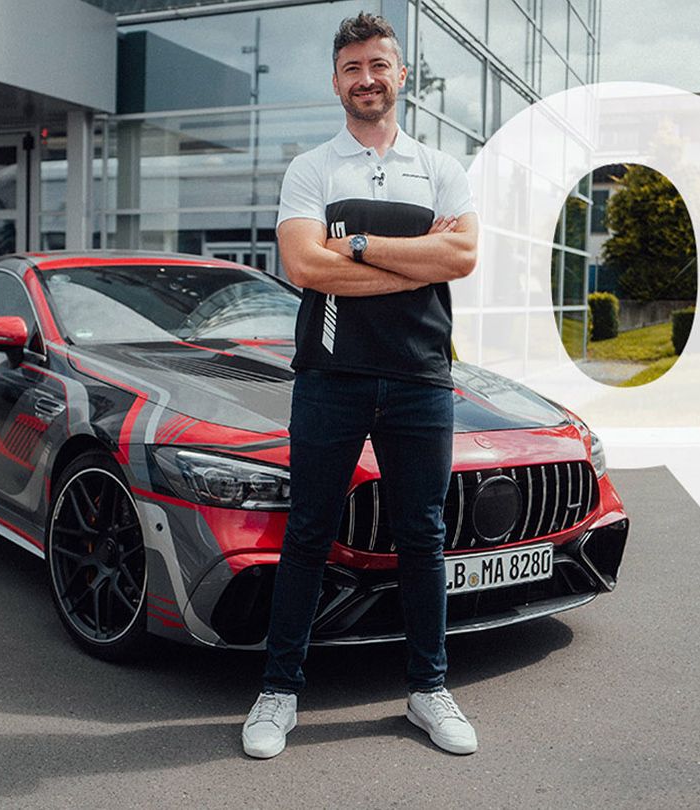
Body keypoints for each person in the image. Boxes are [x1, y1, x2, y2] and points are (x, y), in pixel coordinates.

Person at [241, 11, 480, 760]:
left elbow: (464, 258)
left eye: (379, 65)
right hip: (330, 378)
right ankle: (278, 693)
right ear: (335, 80)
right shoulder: (312, 169)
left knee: (422, 539)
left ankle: (428, 690)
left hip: (419, 380)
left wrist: (366, 245)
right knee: (308, 532)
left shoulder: (441, 166)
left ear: (401, 74)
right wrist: (421, 255)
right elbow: (307, 269)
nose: (367, 79)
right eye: (352, 68)